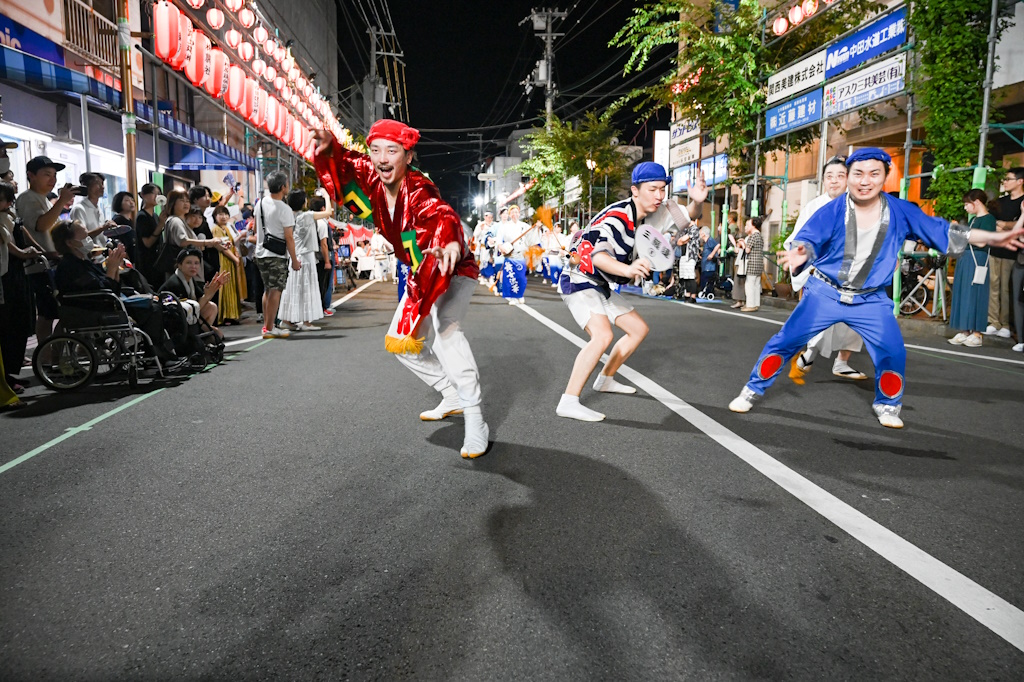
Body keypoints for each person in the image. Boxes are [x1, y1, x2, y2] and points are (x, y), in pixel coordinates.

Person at [728, 148, 1024, 428]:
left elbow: (941, 231)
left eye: (873, 173)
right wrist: (801, 252)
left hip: (870, 300)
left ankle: (888, 404)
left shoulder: (901, 210)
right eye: (858, 173)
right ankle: (752, 390)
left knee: (892, 351)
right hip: (825, 292)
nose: (865, 181)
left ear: (885, 176)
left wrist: (997, 237)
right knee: (785, 341)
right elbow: (810, 238)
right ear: (849, 177)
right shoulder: (832, 210)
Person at [313, 119, 488, 458]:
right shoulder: (371, 174)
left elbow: (441, 215)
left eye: (392, 151)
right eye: (376, 150)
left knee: (446, 329)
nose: (381, 158)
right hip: (419, 269)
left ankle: (476, 417)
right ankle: (449, 391)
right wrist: (328, 148)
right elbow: (345, 162)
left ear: (409, 156)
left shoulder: (419, 188)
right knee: (400, 340)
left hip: (451, 266)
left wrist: (450, 242)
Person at [556, 161, 707, 421]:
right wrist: (628, 270)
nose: (659, 195)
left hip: (600, 283)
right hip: (579, 277)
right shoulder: (617, 216)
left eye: (662, 189)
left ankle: (605, 379)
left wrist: (697, 202)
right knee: (602, 336)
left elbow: (687, 219)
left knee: (638, 329)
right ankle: (568, 401)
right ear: (635, 190)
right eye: (652, 189)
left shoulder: (660, 209)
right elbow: (598, 255)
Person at [51, 220, 186, 366]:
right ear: (70, 243)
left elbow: (111, 286)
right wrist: (111, 269)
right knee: (152, 309)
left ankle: (163, 353)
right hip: (91, 309)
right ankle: (157, 357)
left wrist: (114, 267)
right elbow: (103, 291)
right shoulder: (70, 267)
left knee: (157, 304)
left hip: (106, 302)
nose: (89, 240)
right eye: (84, 237)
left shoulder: (84, 262)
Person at [787, 155, 868, 383]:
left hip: (853, 274)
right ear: (823, 180)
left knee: (855, 321)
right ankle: (808, 355)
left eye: (840, 176)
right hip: (821, 274)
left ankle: (842, 361)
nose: (834, 181)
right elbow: (798, 241)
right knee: (820, 320)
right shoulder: (814, 207)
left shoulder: (860, 205)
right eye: (829, 177)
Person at [16, 156, 76, 352]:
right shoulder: (27, 198)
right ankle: (46, 355)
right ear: (31, 176)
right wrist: (62, 202)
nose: (52, 179)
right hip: (38, 265)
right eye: (47, 175)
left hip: (49, 263)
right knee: (47, 313)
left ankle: (50, 355)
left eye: (54, 175)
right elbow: (40, 225)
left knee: (51, 311)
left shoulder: (43, 199)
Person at [0, 181, 41, 391]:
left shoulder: (10, 216)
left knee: (18, 323)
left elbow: (21, 236)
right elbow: (9, 244)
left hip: (15, 273)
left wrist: (37, 251)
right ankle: (6, 378)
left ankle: (10, 374)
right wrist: (25, 253)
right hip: (5, 277)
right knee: (7, 326)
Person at [948, 189, 1000, 348]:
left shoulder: (988, 219)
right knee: (963, 293)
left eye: (967, 204)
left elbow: (982, 242)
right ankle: (965, 330)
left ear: (976, 202)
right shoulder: (973, 220)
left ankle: (977, 333)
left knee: (976, 294)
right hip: (967, 258)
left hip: (978, 259)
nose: (965, 208)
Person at [254, 171, 300, 340]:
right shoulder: (284, 209)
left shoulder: (260, 203)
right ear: (283, 187)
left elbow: (255, 229)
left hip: (260, 253)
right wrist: (295, 260)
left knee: (268, 289)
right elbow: (289, 237)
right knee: (275, 290)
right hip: (276, 255)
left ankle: (268, 326)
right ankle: (269, 327)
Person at [279, 189, 329, 331]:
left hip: (294, 256)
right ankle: (306, 322)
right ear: (303, 202)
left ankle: (286, 320)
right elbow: (328, 213)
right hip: (306, 257)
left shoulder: (288, 216)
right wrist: (326, 196)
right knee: (306, 288)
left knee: (293, 288)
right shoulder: (306, 216)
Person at [160, 247, 229, 336]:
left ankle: (201, 334)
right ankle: (198, 335)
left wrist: (213, 289)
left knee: (211, 307)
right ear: (179, 265)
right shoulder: (174, 283)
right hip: (174, 323)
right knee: (216, 335)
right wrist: (207, 295)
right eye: (188, 263)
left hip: (188, 317)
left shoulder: (191, 281)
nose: (193, 266)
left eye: (196, 263)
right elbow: (187, 310)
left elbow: (200, 303)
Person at [992, 167, 1024, 349]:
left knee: (1009, 290)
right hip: (998, 249)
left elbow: (1017, 229)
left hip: (1015, 253)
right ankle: (994, 322)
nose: (1004, 181)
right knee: (994, 286)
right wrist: (1005, 226)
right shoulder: (1000, 202)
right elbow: (995, 224)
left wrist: (1006, 225)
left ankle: (1007, 325)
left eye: (1008, 178)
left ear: (1020, 181)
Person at [164, 192, 228, 282]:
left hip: (188, 270)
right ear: (173, 203)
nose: (186, 204)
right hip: (183, 271)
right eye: (182, 201)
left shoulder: (180, 221)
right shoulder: (175, 221)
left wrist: (215, 244)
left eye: (187, 201)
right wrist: (208, 242)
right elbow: (183, 241)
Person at [210, 205, 246, 325]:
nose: (224, 217)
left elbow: (231, 244)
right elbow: (222, 248)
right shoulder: (216, 229)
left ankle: (232, 314)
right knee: (225, 287)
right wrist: (235, 259)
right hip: (224, 260)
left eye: (225, 214)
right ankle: (225, 315)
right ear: (215, 217)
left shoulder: (225, 228)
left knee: (232, 286)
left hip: (230, 259)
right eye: (220, 214)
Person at [497, 204, 534, 305]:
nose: (515, 214)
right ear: (509, 214)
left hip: (521, 255)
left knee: (521, 277)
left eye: (516, 212)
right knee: (510, 277)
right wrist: (501, 247)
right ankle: (513, 297)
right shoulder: (504, 227)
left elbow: (532, 238)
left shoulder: (525, 226)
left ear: (519, 214)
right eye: (512, 212)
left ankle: (520, 295)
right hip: (510, 255)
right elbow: (499, 240)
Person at [69, 173, 117, 247]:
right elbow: (80, 237)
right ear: (86, 186)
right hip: (89, 256)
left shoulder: (99, 209)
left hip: (102, 253)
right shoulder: (79, 209)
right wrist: (102, 227)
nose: (102, 187)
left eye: (102, 184)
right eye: (97, 183)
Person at [135, 183, 166, 285]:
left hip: (158, 262)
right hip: (148, 262)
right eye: (154, 193)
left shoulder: (156, 216)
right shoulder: (142, 216)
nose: (157, 197)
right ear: (143, 195)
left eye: (159, 194)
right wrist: (160, 225)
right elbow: (147, 243)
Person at [310, 196, 335, 315]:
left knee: (318, 283)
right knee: (323, 283)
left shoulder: (312, 220)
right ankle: (322, 308)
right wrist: (327, 261)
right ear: (323, 208)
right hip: (322, 257)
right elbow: (324, 244)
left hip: (314, 257)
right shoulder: (322, 223)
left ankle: (320, 308)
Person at [740, 216, 764, 312]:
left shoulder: (753, 236)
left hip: (752, 263)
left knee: (749, 284)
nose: (746, 226)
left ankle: (750, 305)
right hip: (759, 263)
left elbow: (747, 250)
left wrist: (743, 244)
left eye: (748, 225)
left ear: (753, 225)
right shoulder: (760, 236)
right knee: (757, 285)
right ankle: (755, 304)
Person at [109, 190, 138, 263]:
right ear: (119, 203)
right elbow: (116, 241)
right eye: (127, 200)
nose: (131, 202)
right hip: (123, 258)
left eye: (132, 200)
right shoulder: (118, 220)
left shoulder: (129, 220)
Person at [698, 226, 719, 298]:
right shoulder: (706, 243)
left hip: (709, 266)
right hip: (705, 265)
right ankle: (705, 292)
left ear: (703, 234)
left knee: (707, 280)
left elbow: (718, 245)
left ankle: (707, 292)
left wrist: (712, 254)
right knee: (704, 279)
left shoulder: (710, 240)